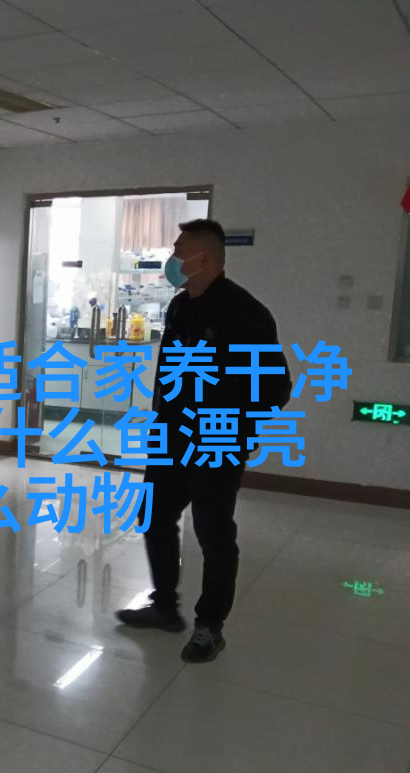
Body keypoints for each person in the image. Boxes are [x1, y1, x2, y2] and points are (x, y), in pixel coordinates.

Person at [116, 219, 290, 663]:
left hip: (217, 438)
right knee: (154, 518)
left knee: (213, 534)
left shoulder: (245, 313)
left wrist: (242, 431)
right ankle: (164, 606)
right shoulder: (179, 307)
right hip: (172, 437)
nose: (172, 259)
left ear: (204, 259)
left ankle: (209, 626)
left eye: (179, 251)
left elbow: (274, 387)